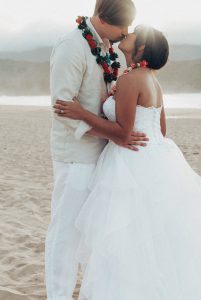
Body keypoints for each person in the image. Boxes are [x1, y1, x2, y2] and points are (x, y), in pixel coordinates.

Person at [53, 24, 201, 299]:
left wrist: (81, 113)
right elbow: (160, 131)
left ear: (142, 48)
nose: (128, 34)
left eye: (134, 33)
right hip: (157, 162)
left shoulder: (131, 79)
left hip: (129, 164)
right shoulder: (152, 80)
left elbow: (124, 133)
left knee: (125, 243)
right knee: (157, 243)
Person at [44, 1, 149, 299]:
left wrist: (119, 134)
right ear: (102, 18)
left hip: (107, 157)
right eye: (122, 27)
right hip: (76, 156)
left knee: (96, 235)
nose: (125, 32)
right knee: (66, 233)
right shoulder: (71, 46)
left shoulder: (114, 51)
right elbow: (62, 110)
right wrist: (114, 135)